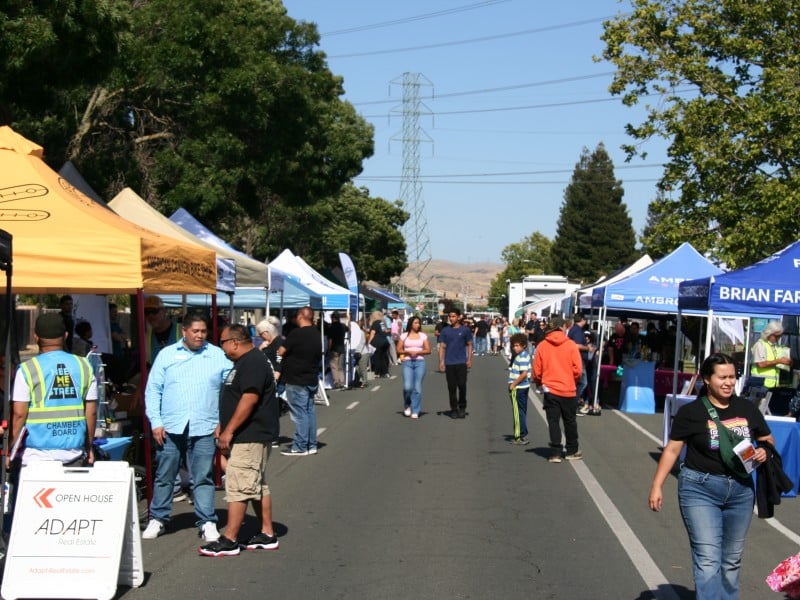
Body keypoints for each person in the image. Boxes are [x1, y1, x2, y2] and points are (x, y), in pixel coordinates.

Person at [649, 353, 774, 600]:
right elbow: (673, 449)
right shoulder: (691, 412)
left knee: (731, 560)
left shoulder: (746, 408)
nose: (729, 382)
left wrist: (764, 452)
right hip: (700, 488)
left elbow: (767, 439)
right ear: (707, 379)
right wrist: (657, 485)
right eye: (722, 377)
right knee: (707, 559)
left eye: (733, 377)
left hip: (741, 491)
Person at [142, 312, 232, 542]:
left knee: (202, 477)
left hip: (205, 425)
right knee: (165, 475)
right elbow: (153, 390)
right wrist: (156, 421)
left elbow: (231, 386)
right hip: (171, 426)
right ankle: (158, 518)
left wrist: (223, 420)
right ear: (184, 331)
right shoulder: (167, 355)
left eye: (204, 332)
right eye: (196, 331)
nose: (200, 336)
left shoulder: (216, 355)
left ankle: (207, 521)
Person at [198, 324, 280, 557]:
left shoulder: (252, 361)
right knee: (256, 485)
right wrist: (223, 423)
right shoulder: (245, 362)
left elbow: (250, 398)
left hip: (250, 435)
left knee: (239, 485)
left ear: (234, 342)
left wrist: (229, 430)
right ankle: (267, 532)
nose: (221, 346)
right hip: (248, 434)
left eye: (222, 342)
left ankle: (230, 538)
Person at [9, 313, 97, 467]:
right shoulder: (85, 366)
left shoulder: (26, 370)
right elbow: (91, 412)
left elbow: (19, 414)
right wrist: (89, 447)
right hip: (73, 455)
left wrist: (9, 449)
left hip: (35, 457)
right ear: (65, 335)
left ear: (36, 337)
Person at [532, 316, 583, 463]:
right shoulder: (571, 345)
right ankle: (572, 450)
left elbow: (537, 370)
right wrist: (572, 379)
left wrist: (539, 383)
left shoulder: (542, 345)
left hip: (550, 388)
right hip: (568, 388)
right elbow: (578, 370)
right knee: (570, 420)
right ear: (562, 328)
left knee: (553, 421)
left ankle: (555, 452)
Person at [278, 306, 322, 456]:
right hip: (311, 377)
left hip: (297, 379)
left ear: (301, 316)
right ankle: (312, 444)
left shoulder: (296, 334)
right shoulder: (317, 333)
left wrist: (280, 360)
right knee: (309, 412)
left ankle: (300, 445)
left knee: (300, 414)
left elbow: (281, 351)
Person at [437, 308, 473, 419]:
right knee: (451, 388)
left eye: (453, 316)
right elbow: (442, 347)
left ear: (458, 317)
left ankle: (462, 407)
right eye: (450, 317)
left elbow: (470, 344)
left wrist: (469, 359)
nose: (451, 318)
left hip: (461, 362)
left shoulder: (465, 330)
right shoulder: (445, 331)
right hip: (450, 363)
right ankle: (454, 409)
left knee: (462, 386)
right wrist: (441, 362)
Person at [397, 315, 431, 419]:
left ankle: (415, 409)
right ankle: (407, 405)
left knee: (417, 388)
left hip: (419, 362)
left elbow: (428, 350)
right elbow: (399, 349)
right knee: (408, 387)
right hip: (407, 362)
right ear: (411, 324)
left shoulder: (423, 336)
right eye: (415, 323)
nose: (418, 325)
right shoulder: (404, 336)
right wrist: (408, 351)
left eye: (418, 323)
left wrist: (418, 352)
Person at [750, 320, 791, 389]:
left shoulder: (775, 346)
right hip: (760, 385)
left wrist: (788, 362)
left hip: (772, 385)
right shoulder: (760, 345)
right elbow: (760, 364)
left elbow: (781, 362)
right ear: (769, 334)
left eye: (780, 336)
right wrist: (779, 361)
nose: (779, 338)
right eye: (777, 336)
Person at [143, 295, 182, 366]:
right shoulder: (146, 336)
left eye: (154, 311)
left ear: (164, 311)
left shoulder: (183, 331)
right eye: (147, 312)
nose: (150, 316)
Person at [507, 332, 531, 445]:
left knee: (517, 412)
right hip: (524, 387)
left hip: (518, 387)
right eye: (513, 345)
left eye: (517, 345)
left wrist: (513, 384)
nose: (514, 348)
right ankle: (522, 432)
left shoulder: (521, 357)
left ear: (524, 345)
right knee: (522, 411)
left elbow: (524, 373)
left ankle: (519, 435)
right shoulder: (525, 355)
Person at [567, 313, 591, 414]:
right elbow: (576, 345)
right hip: (578, 360)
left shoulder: (575, 329)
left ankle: (572, 403)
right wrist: (587, 348)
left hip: (577, 360)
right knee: (582, 382)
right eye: (585, 319)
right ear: (582, 319)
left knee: (578, 383)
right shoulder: (577, 330)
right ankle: (573, 404)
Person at [327, 311, 347, 389]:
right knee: (340, 366)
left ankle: (337, 382)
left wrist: (329, 349)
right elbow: (348, 329)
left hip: (334, 348)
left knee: (334, 366)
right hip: (342, 348)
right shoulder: (342, 326)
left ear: (333, 318)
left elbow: (330, 340)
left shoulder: (332, 327)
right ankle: (342, 382)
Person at [367, 310, 390, 378]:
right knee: (383, 357)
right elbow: (384, 331)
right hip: (385, 342)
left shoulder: (375, 323)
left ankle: (377, 372)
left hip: (377, 342)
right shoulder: (382, 323)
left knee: (376, 358)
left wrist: (368, 342)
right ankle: (385, 372)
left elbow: (372, 334)